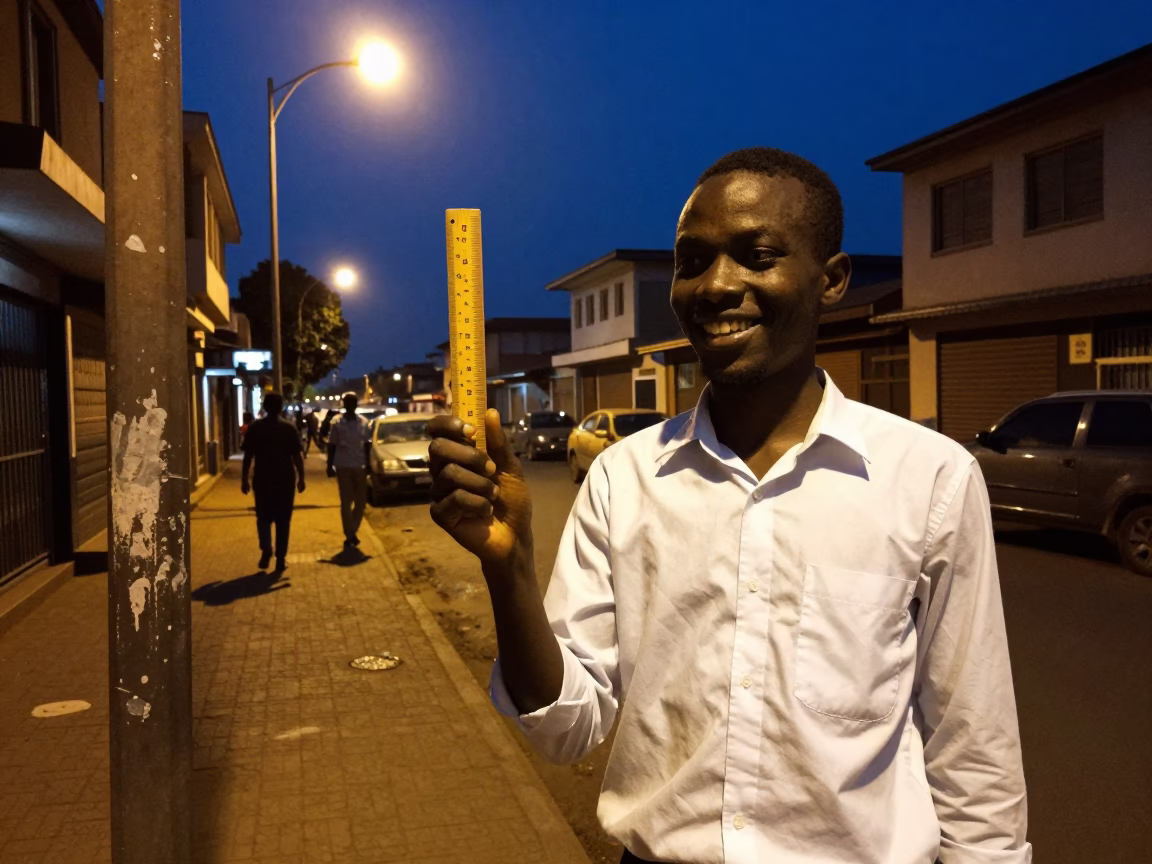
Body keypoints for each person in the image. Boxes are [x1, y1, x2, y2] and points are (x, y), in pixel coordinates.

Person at [427, 148, 1031, 864]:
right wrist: (509, 568)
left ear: (830, 280)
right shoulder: (624, 479)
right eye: (692, 261)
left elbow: (974, 749)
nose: (716, 285)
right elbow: (568, 730)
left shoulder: (929, 478)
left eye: (756, 255)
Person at [240, 392, 305, 572]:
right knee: (283, 521)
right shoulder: (289, 428)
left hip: (262, 480)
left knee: (263, 518)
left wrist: (244, 478)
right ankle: (281, 559)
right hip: (285, 481)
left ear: (265, 407)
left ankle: (267, 549)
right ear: (281, 407)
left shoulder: (255, 428)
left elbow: (248, 456)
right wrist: (302, 478)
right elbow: (297, 456)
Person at [327, 392, 371, 549]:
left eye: (353, 402)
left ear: (356, 404)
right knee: (346, 502)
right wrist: (329, 465)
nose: (350, 405)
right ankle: (349, 534)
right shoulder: (337, 422)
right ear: (344, 404)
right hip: (343, 466)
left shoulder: (364, 422)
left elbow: (367, 445)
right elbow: (331, 445)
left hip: (360, 466)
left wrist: (369, 465)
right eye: (347, 402)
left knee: (361, 503)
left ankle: (353, 530)